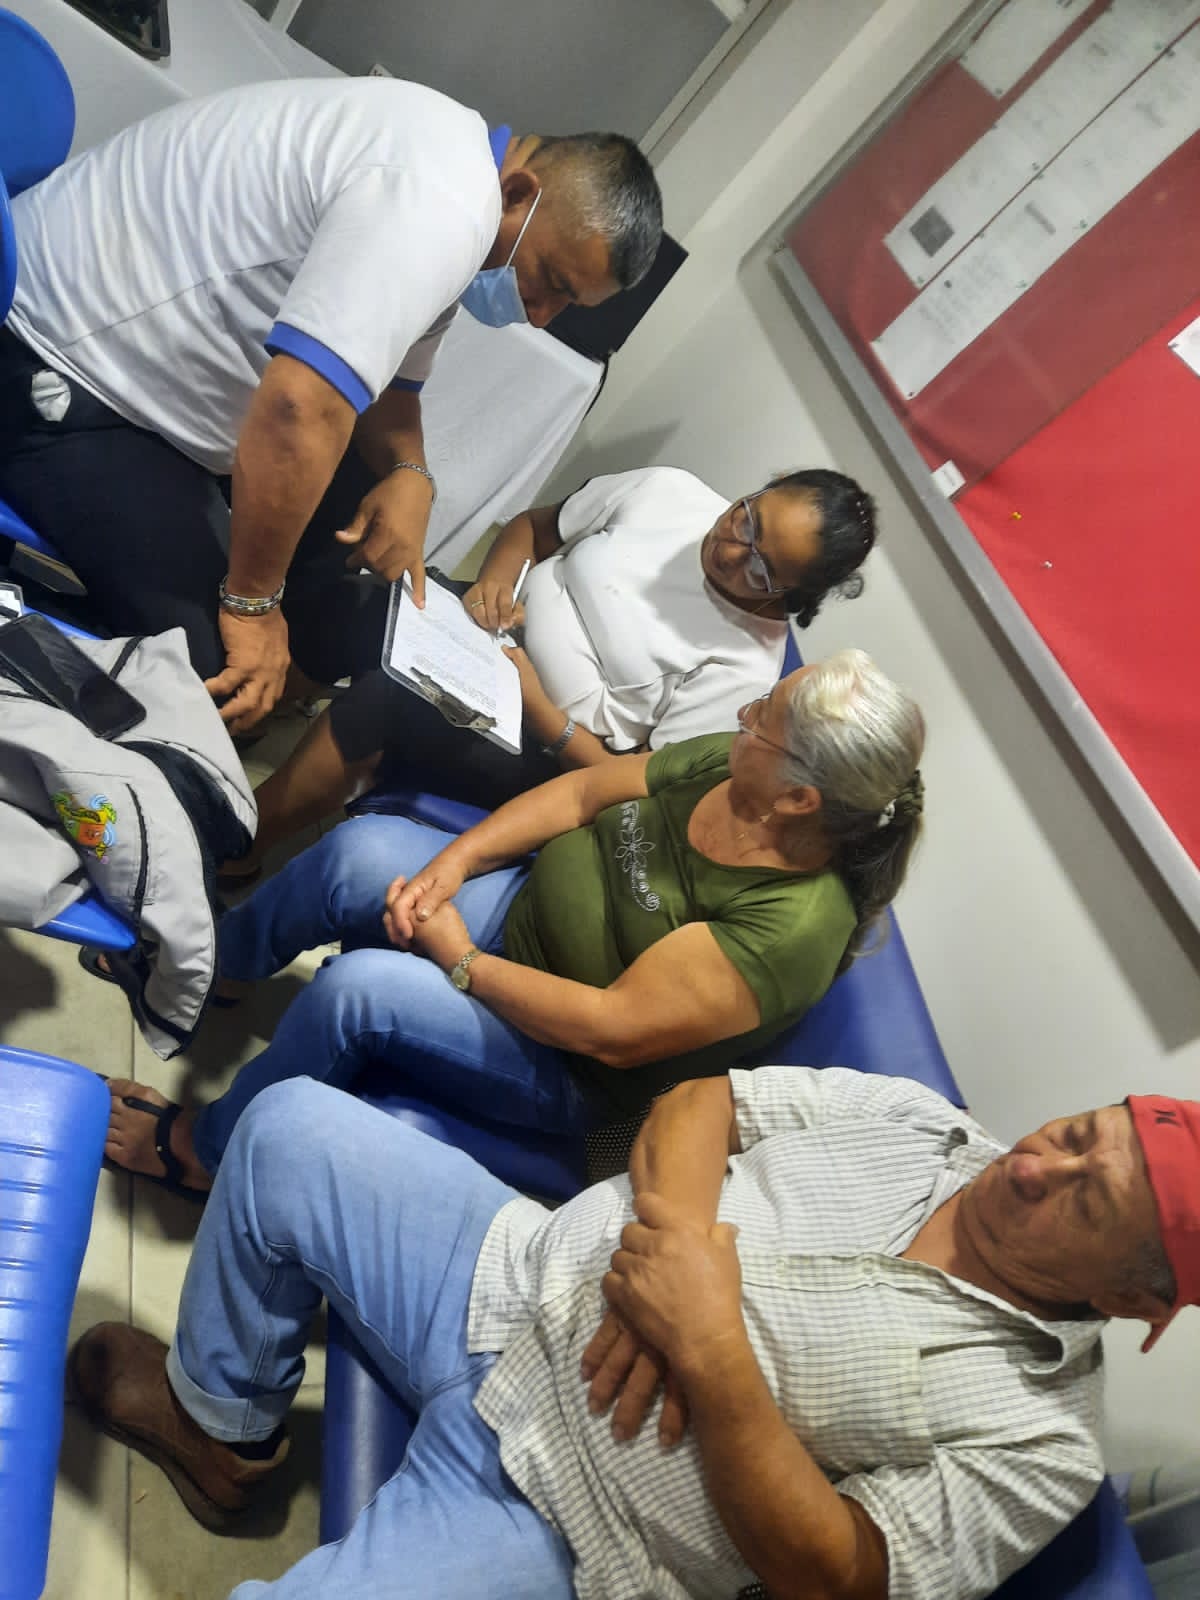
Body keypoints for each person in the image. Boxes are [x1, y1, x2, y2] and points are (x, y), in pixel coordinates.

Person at [70, 1068, 1200, 1598]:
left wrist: (708, 1348)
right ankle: (221, 1430)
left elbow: (842, 1576)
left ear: (1136, 1303)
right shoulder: (929, 1124)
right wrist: (679, 1247)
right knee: (285, 1129)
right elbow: (705, 1101)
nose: (1035, 1166)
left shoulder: (1044, 1444)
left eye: (1084, 1200)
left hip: (571, 1516)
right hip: (511, 1274)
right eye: (1074, 1131)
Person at [101, 651, 925, 1194]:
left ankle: (205, 1153)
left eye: (761, 722)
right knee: (360, 851)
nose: (743, 714)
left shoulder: (792, 927)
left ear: (798, 799)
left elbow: (609, 1029)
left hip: (564, 1062)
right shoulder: (732, 765)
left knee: (356, 992)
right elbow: (583, 793)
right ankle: (214, 971)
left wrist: (461, 961)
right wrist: (454, 864)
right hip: (520, 910)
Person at [0, 79, 662, 730]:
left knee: (354, 501)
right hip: (55, 367)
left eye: (569, 304)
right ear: (518, 194)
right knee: (217, 672)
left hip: (128, 363)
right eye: (551, 282)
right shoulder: (444, 204)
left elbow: (394, 390)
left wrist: (410, 472)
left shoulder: (457, 162)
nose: (542, 316)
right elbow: (298, 408)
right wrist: (251, 604)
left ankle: (285, 662)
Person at [219, 463, 878, 884]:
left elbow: (633, 786)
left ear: (791, 595)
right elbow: (534, 530)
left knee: (389, 703)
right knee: (359, 603)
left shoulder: (746, 666)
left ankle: (237, 846)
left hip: (544, 746)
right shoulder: (669, 493)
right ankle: (238, 720)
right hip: (489, 633)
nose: (731, 550)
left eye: (761, 569)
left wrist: (541, 711)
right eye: (747, 517)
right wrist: (494, 582)